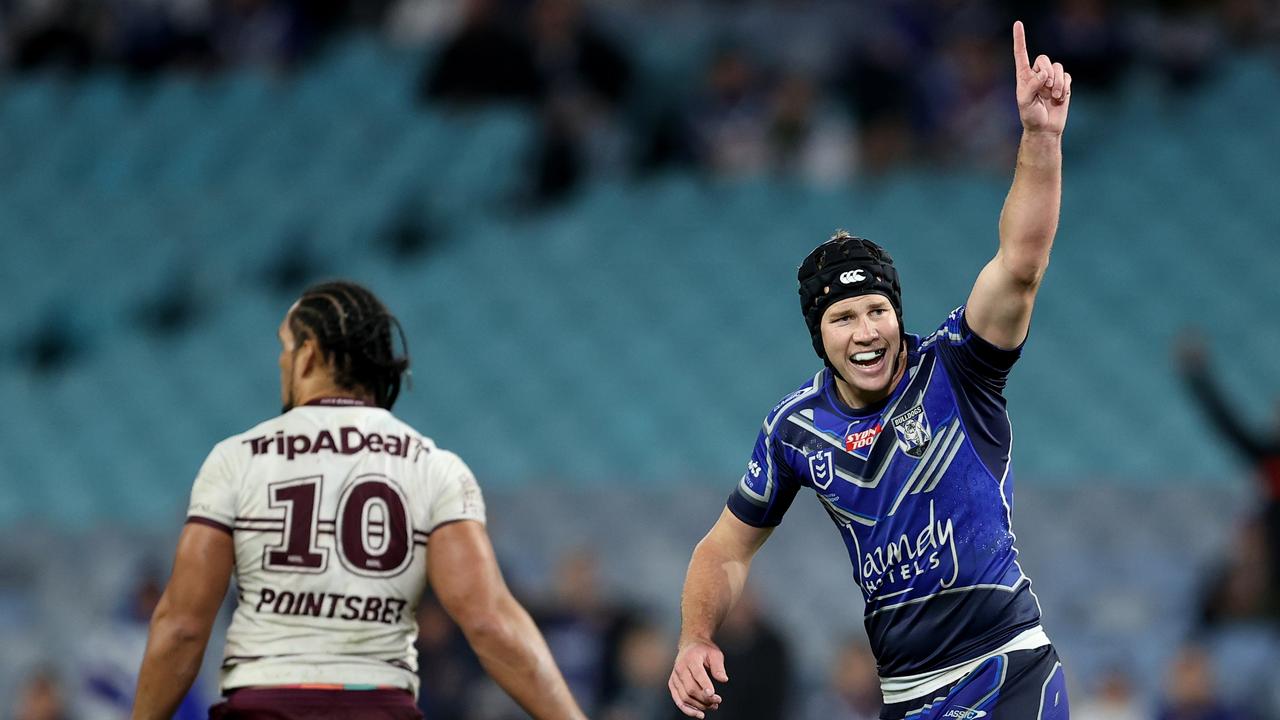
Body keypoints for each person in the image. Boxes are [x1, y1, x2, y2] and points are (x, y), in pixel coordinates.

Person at [669, 21, 1072, 720]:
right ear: (817, 336)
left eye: (877, 309)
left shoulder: (958, 365)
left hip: (1007, 671)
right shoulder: (795, 427)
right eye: (843, 317)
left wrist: (1040, 139)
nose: (867, 331)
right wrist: (694, 637)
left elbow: (1020, 265)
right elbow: (724, 548)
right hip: (906, 697)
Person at [131, 281, 586, 720]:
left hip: (265, 704)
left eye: (285, 347)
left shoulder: (237, 459)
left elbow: (182, 627)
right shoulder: (433, 466)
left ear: (307, 355)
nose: (281, 361)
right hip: (378, 705)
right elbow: (491, 624)